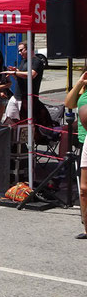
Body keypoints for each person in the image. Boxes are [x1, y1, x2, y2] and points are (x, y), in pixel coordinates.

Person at [64, 70, 87, 239]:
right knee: (84, 190)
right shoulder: (83, 88)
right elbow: (69, 103)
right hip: (84, 140)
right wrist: (80, 82)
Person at [1, 41, 44, 124]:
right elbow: (20, 78)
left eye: (21, 50)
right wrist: (15, 72)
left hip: (27, 98)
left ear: (29, 49)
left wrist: (15, 73)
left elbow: (32, 74)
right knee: (8, 120)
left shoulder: (36, 61)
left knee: (25, 122)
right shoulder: (23, 61)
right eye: (19, 51)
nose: (19, 53)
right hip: (16, 96)